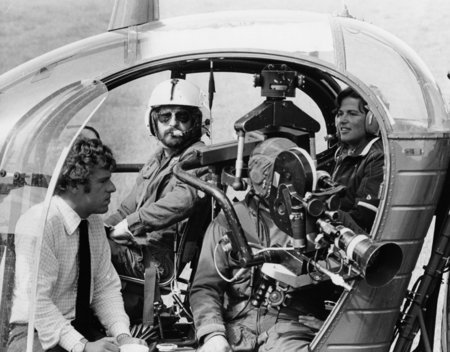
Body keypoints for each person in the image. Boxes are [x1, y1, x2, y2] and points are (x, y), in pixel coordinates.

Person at [8, 138, 146, 352]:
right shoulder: (40, 223)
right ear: (74, 184)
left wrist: (122, 336)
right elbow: (38, 303)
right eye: (103, 181)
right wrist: (82, 346)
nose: (112, 188)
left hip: (79, 329)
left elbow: (105, 288)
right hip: (34, 335)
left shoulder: (93, 224)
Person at [190, 138, 326, 352]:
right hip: (237, 330)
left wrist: (328, 324)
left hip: (291, 329)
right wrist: (213, 334)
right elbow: (205, 286)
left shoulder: (319, 221)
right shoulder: (230, 220)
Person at [105, 78, 207, 309]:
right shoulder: (160, 157)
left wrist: (132, 224)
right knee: (87, 241)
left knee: (89, 250)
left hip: (157, 258)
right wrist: (100, 229)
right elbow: (126, 208)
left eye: (183, 117)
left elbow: (183, 200)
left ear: (196, 122)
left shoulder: (199, 158)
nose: (173, 123)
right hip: (138, 246)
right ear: (153, 121)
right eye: (165, 117)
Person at [331, 87, 384, 234]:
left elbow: (363, 220)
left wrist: (321, 210)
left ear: (371, 120)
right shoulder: (345, 151)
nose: (343, 120)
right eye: (340, 114)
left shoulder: (377, 158)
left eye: (352, 114)